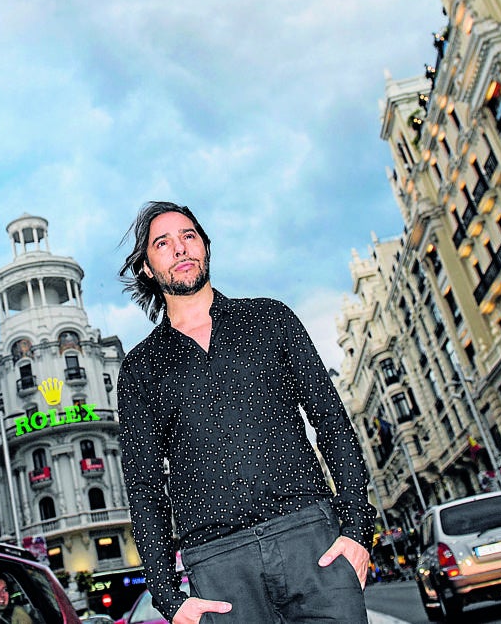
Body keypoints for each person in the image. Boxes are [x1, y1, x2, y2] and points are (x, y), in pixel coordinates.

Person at [116, 201, 377, 624]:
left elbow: (331, 421)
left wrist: (356, 529)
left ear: (206, 247)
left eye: (188, 236)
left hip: (312, 541)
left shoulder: (270, 319)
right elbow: (144, 486)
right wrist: (168, 597)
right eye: (162, 243)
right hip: (219, 567)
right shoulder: (140, 369)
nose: (180, 249)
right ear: (147, 267)